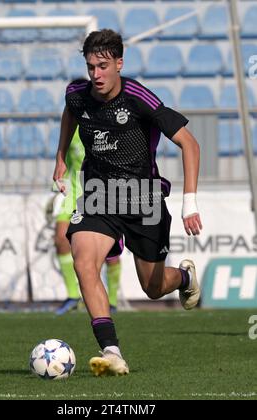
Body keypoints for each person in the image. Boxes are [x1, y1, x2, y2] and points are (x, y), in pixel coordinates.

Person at [53, 29, 202, 376]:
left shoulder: (137, 97)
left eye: (103, 66)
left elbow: (190, 144)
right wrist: (60, 155)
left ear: (119, 63)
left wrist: (189, 203)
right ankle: (112, 350)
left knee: (152, 287)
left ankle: (183, 277)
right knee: (83, 260)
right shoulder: (77, 94)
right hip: (98, 197)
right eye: (91, 67)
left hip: (143, 199)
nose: (96, 75)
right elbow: (69, 113)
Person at [48, 125, 122, 315]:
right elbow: (65, 162)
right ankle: (73, 296)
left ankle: (112, 301)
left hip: (102, 192)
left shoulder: (105, 125)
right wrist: (57, 187)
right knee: (60, 239)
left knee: (109, 253)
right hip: (74, 192)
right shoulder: (73, 128)